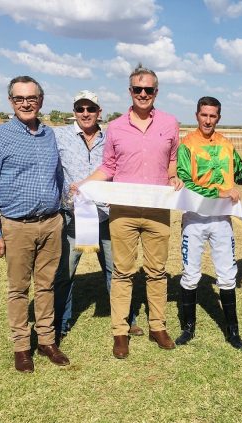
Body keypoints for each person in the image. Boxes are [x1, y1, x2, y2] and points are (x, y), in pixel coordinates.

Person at [73, 64, 183, 359]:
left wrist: (174, 177)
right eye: (138, 89)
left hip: (158, 211)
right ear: (130, 91)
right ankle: (119, 332)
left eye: (149, 89)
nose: (143, 93)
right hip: (122, 213)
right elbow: (109, 166)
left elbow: (172, 161)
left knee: (157, 272)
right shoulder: (117, 127)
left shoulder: (171, 123)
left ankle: (157, 326)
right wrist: (84, 185)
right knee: (122, 272)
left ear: (156, 92)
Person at [0, 75, 70, 373]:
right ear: (11, 102)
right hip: (16, 226)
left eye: (31, 98)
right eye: (19, 99)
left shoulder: (49, 135)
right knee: (18, 289)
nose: (26, 103)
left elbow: (57, 177)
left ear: (40, 101)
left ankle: (46, 340)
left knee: (46, 286)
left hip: (51, 223)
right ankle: (21, 346)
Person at [53, 90, 142, 341]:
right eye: (80, 108)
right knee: (65, 272)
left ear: (98, 112)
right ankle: (61, 320)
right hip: (73, 216)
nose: (85, 113)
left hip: (107, 215)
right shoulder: (59, 137)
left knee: (117, 270)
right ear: (74, 111)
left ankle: (127, 319)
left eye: (90, 109)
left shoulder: (112, 137)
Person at [175, 96, 242, 350]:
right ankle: (188, 328)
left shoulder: (226, 144)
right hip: (195, 219)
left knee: (227, 275)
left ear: (218, 118)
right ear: (197, 115)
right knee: (190, 275)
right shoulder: (186, 145)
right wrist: (217, 192)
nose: (208, 120)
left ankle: (232, 331)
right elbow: (184, 182)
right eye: (204, 115)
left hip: (222, 220)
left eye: (213, 116)